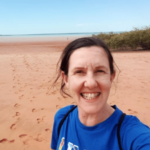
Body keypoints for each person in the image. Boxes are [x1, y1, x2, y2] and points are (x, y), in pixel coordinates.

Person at [51, 37, 150, 150]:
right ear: (66, 79)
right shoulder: (62, 118)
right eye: (79, 71)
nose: (91, 83)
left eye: (100, 71)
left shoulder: (130, 134)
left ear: (111, 77)